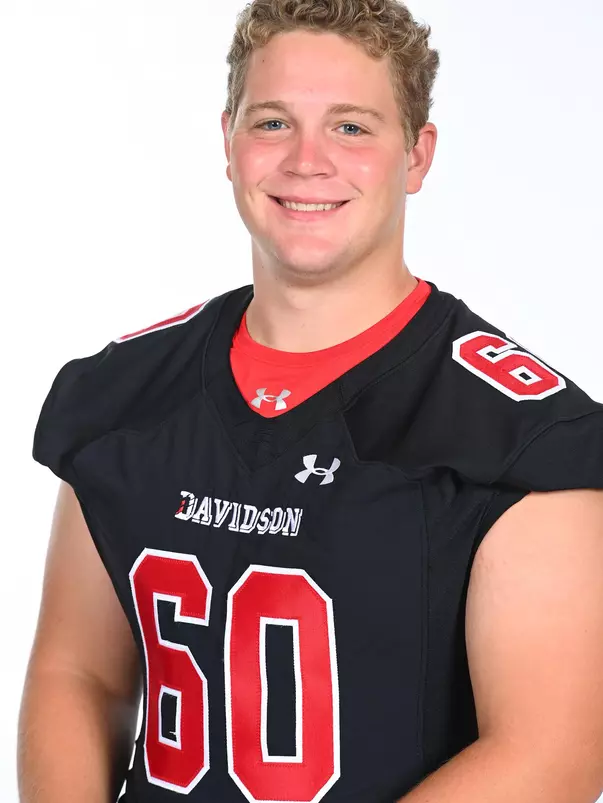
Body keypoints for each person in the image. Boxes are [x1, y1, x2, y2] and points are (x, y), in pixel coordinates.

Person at [18, 1, 603, 801]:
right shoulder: (123, 392)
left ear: (416, 156)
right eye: (271, 123)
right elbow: (77, 671)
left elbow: (551, 756)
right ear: (228, 142)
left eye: (352, 128)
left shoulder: (522, 433)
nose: (306, 160)